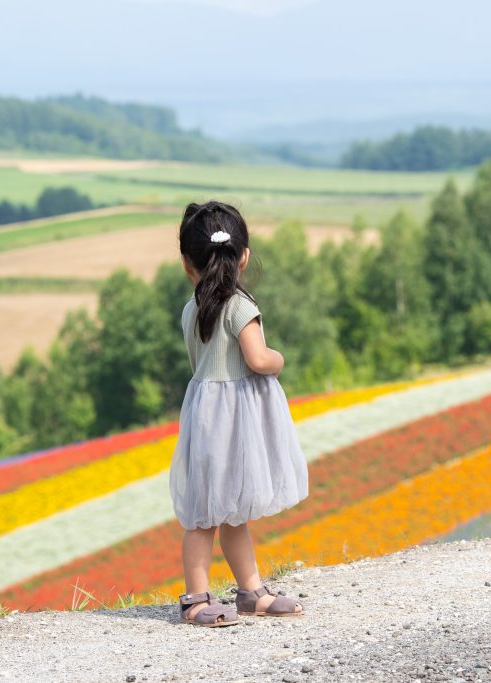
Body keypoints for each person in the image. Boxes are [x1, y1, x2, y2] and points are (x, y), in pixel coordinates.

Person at [169, 200, 309, 627]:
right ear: (243, 256)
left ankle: (246, 592)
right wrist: (278, 359)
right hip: (233, 421)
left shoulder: (193, 310)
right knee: (211, 513)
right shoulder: (239, 307)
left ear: (186, 263)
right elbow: (257, 359)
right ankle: (203, 598)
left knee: (220, 510)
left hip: (207, 416)